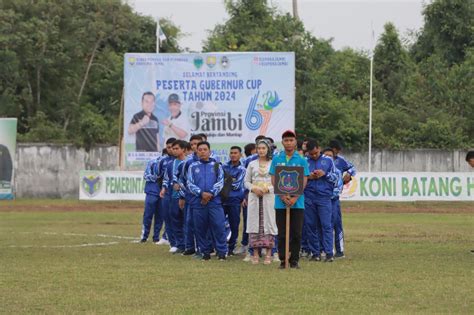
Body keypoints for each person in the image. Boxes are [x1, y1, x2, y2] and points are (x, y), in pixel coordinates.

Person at [270, 130, 309, 269]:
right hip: (280, 203)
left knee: (296, 233)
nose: (288, 143)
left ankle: (294, 261)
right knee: (282, 234)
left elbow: (304, 180)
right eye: (286, 140)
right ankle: (283, 259)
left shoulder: (301, 160)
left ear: (295, 142)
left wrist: (295, 198)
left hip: (297, 203)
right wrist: (281, 196)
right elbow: (274, 179)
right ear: (282, 142)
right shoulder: (277, 159)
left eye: (291, 140)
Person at [187, 141, 228, 260]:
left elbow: (220, 182)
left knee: (219, 227)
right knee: (200, 228)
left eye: (205, 149)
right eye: (200, 150)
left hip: (214, 202)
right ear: (197, 151)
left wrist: (210, 193)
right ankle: (205, 252)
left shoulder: (217, 166)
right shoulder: (192, 166)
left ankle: (221, 252)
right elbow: (189, 183)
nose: (202, 152)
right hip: (198, 203)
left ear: (209, 151)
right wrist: (201, 194)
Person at [304, 141, 338, 262]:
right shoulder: (305, 161)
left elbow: (336, 178)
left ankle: (329, 253)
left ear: (319, 148)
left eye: (316, 153)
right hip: (308, 196)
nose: (313, 156)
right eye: (311, 154)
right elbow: (298, 177)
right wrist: (309, 177)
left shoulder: (328, 160)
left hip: (324, 197)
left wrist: (325, 174)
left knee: (326, 225)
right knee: (311, 225)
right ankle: (315, 253)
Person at [245, 139, 278, 265]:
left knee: (269, 223)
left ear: (268, 149)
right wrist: (254, 188)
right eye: (259, 148)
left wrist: (267, 189)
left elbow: (277, 182)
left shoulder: (273, 164)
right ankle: (255, 254)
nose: (261, 151)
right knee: (254, 224)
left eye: (264, 148)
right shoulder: (252, 164)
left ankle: (269, 254)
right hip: (254, 196)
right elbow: (246, 181)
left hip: (269, 197)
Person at [160, 140, 187, 254]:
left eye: (176, 148)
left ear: (183, 150)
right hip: (174, 196)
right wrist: (164, 188)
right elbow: (167, 178)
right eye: (173, 148)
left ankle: (189, 244)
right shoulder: (171, 164)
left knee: (187, 221)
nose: (174, 151)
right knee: (174, 220)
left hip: (187, 197)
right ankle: (178, 244)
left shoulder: (189, 162)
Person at [222, 146, 246, 256]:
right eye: (231, 152)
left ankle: (231, 247)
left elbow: (237, 185)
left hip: (235, 200)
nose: (233, 155)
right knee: (219, 224)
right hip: (222, 199)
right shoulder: (223, 166)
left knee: (234, 225)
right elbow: (219, 181)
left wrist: (226, 181)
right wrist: (230, 180)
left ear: (240, 154)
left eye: (235, 153)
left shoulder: (242, 169)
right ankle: (220, 246)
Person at [322, 147, 345, 259]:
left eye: (330, 156)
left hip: (333, 201)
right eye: (325, 156)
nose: (328, 158)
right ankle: (327, 250)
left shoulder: (337, 172)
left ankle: (340, 251)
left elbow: (339, 188)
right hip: (322, 201)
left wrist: (327, 195)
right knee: (325, 226)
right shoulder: (319, 172)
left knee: (336, 225)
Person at [139, 156, 165, 243]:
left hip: (164, 193)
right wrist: (157, 178)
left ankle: (156, 237)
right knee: (148, 214)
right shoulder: (153, 162)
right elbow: (146, 175)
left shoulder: (172, 162)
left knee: (160, 215)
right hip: (152, 191)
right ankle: (144, 236)